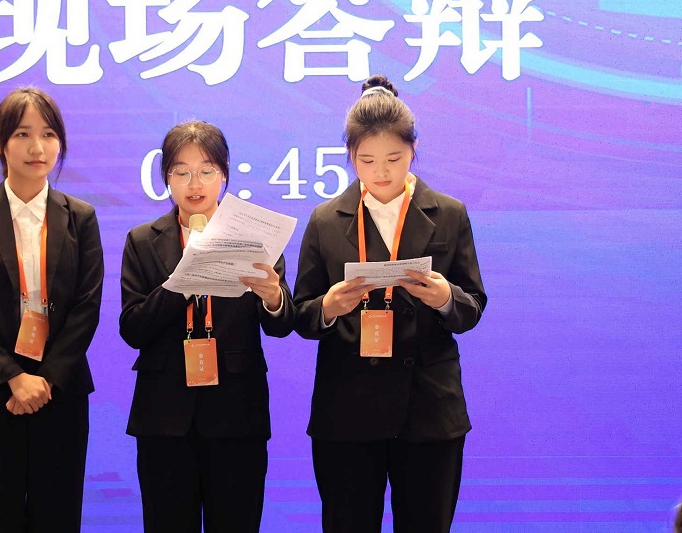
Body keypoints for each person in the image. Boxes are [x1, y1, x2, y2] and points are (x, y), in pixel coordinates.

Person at [293, 75, 487, 532]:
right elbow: (301, 314)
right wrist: (329, 307)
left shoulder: (449, 213)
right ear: (350, 156)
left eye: (394, 159)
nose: (381, 172)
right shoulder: (325, 220)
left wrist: (446, 298)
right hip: (347, 409)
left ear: (413, 150)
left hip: (428, 407)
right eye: (367, 160)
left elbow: (473, 305)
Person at [119, 121, 296, 533]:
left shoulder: (255, 238)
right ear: (166, 178)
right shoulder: (143, 241)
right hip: (164, 417)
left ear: (225, 174)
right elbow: (132, 329)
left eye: (206, 171)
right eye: (181, 172)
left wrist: (273, 297)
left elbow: (282, 324)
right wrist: (183, 278)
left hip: (237, 415)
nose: (194, 184)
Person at [0, 87, 103, 532]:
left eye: (49, 134)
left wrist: (45, 380)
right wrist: (14, 378)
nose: (38, 147)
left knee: (59, 517)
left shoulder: (81, 217)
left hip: (61, 394)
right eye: (23, 134)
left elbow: (87, 306)